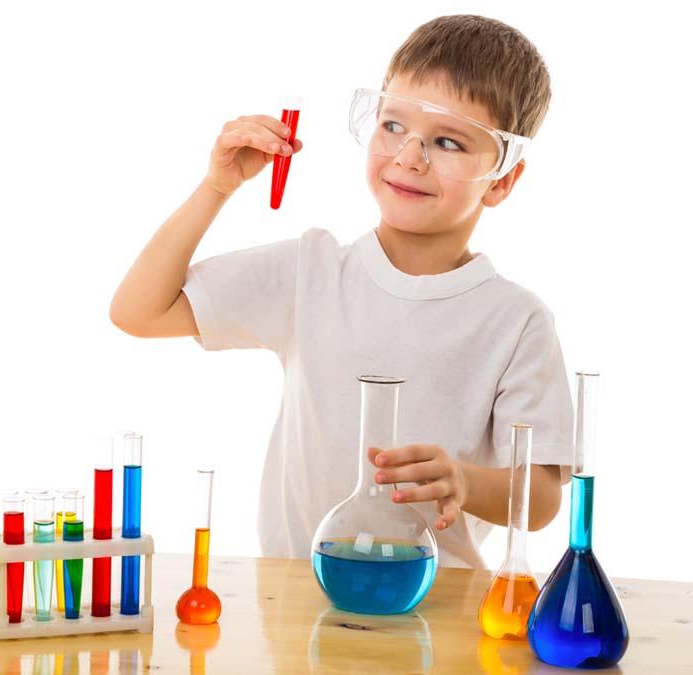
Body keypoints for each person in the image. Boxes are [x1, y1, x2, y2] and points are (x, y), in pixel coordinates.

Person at [109, 15, 573, 568]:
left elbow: (541, 499)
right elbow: (137, 311)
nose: (408, 157)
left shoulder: (517, 320)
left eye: (447, 141)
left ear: (501, 179)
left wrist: (463, 481)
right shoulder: (311, 271)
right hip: (297, 601)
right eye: (393, 126)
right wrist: (217, 187)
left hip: (437, 604)